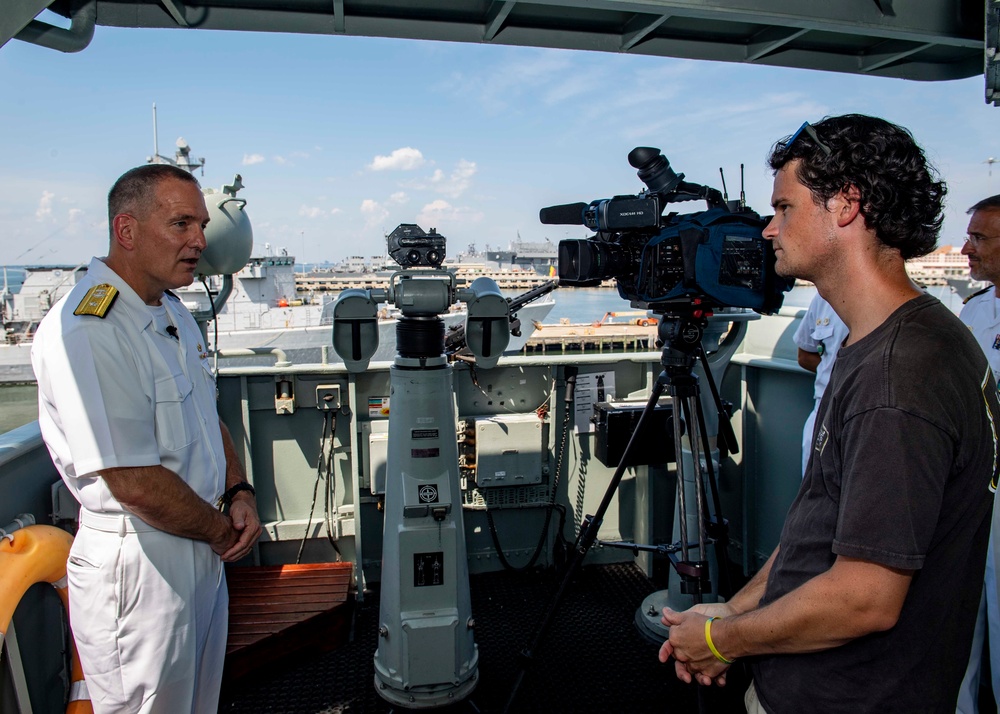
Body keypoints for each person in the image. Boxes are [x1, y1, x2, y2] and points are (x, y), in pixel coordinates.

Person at [658, 115, 1000, 713]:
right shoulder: (887, 340)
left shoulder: (899, 376)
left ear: (845, 205)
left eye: (785, 208)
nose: (768, 230)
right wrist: (735, 609)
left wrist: (722, 641)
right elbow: (817, 531)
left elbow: (864, 597)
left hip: (850, 696)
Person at [30, 163, 262, 713]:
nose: (200, 241)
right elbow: (131, 479)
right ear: (126, 230)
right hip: (140, 565)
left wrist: (239, 492)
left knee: (198, 703)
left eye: (201, 225)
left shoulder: (171, 312)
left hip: (199, 546)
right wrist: (220, 532)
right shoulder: (89, 329)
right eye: (182, 224)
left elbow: (208, 417)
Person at [957, 194, 1000, 713]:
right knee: (962, 618)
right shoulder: (977, 311)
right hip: (976, 488)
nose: (968, 248)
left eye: (981, 238)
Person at [793, 293, 848, 475]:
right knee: (814, 497)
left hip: (868, 417)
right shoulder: (824, 298)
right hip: (823, 414)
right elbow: (805, 355)